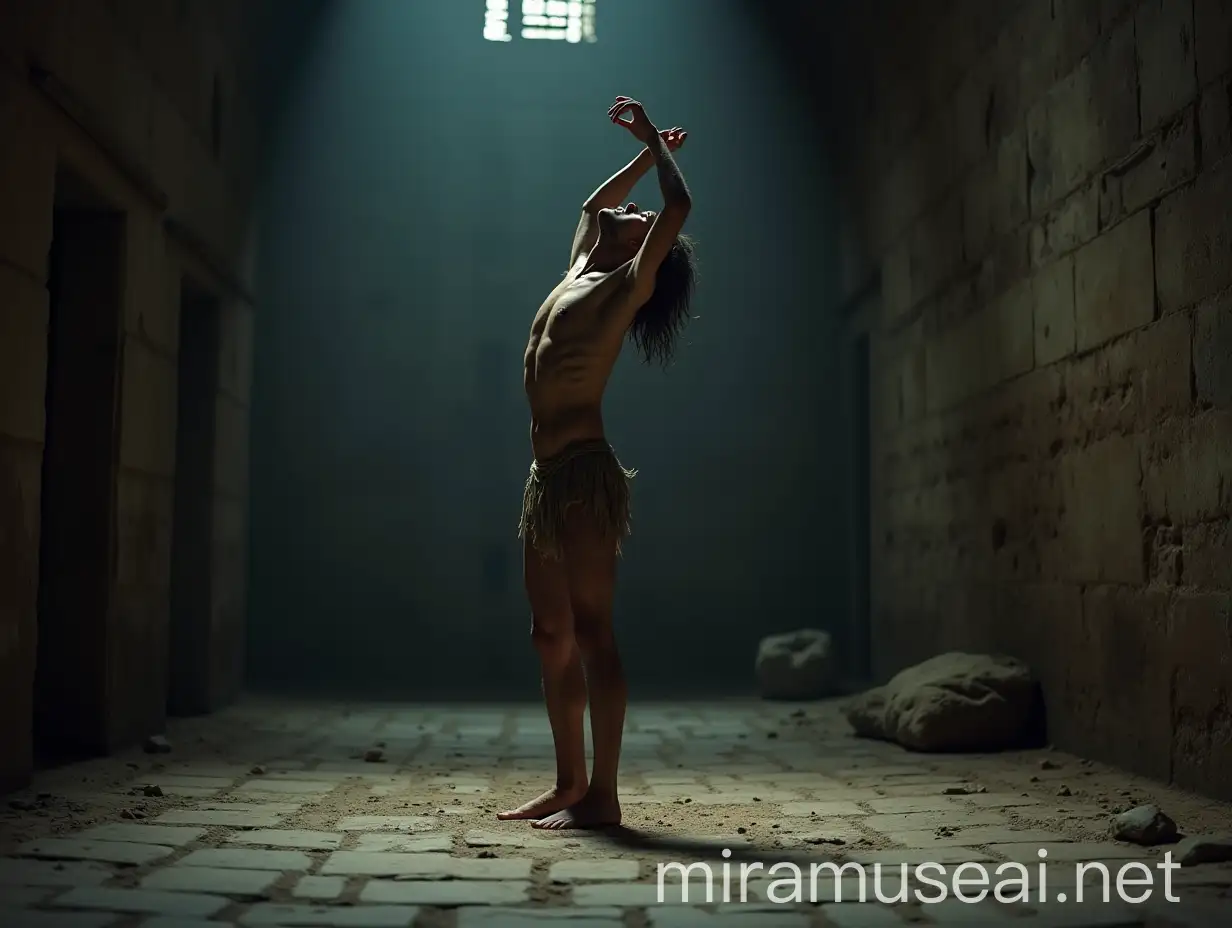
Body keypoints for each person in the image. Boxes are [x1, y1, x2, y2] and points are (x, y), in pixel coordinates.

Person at [497, 97, 697, 829]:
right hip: (543, 480)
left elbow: (678, 204)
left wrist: (657, 143)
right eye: (633, 208)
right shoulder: (582, 262)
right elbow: (591, 203)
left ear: (648, 251)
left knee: (591, 631)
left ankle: (604, 796)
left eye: (641, 217)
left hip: (584, 474)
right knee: (547, 634)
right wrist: (644, 153)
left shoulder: (625, 287)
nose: (635, 208)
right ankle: (569, 782)